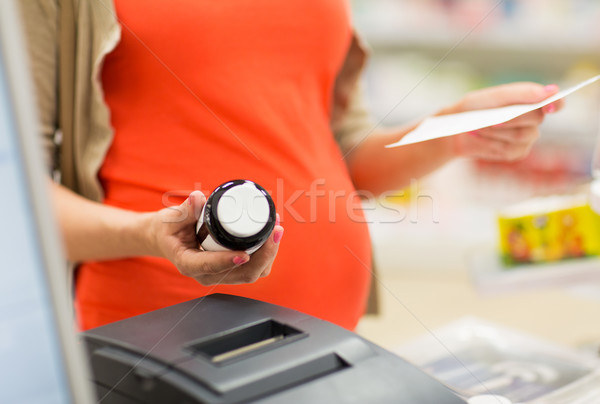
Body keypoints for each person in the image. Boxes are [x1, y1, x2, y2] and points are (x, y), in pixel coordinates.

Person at [20, 0, 563, 331]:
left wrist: (450, 132)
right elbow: (15, 196)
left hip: (326, 336)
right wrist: (148, 232)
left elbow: (339, 151)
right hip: (162, 338)